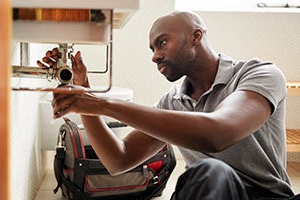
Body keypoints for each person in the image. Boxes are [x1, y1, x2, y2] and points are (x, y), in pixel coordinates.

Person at [39, 11, 296, 199]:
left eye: (162, 42)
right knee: (204, 176)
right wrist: (86, 97)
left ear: (196, 36)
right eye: (152, 48)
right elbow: (118, 160)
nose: (154, 56)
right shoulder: (172, 102)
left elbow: (218, 133)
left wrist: (102, 104)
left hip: (268, 196)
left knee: (210, 170)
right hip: (209, 192)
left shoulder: (258, 73)